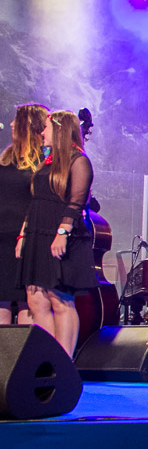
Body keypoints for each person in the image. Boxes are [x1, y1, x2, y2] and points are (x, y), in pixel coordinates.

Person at [15, 110, 97, 355]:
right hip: (37, 233)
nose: (42, 132)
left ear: (60, 130)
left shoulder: (78, 161)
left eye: (47, 128)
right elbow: (35, 202)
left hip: (62, 233)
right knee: (36, 299)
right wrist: (23, 235)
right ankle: (48, 358)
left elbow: (77, 201)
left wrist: (63, 231)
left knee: (59, 298)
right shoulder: (47, 162)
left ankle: (63, 361)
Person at [1, 104, 48, 325]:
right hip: (2, 237)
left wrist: (26, 234)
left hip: (24, 238)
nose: (11, 124)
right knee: (2, 298)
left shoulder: (42, 162)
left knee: (25, 301)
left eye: (16, 120)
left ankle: (25, 346)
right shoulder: (6, 158)